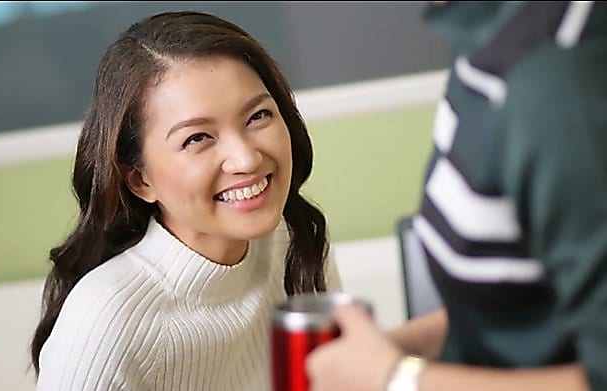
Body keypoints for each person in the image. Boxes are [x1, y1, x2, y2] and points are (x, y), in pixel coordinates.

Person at [30, 10, 342, 390]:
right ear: (140, 179)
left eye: (258, 116)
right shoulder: (105, 320)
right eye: (197, 138)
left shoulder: (295, 240)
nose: (246, 159)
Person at [307, 1, 607, 390]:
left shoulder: (558, 81)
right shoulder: (487, 31)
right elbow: (520, 308)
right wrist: (389, 352)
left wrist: (394, 378)